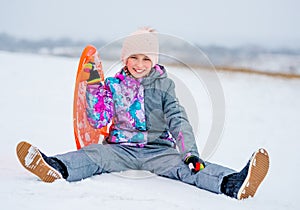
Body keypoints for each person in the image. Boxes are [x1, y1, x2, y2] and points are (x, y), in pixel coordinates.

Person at [16, 27, 269, 200]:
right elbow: (99, 120)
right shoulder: (113, 86)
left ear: (154, 61)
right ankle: (55, 167)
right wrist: (93, 87)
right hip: (120, 149)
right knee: (93, 156)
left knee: (188, 167)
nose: (139, 64)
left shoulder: (164, 86)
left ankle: (233, 183)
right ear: (125, 59)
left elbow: (177, 118)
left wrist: (190, 152)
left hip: (158, 151)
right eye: (133, 57)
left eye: (146, 59)